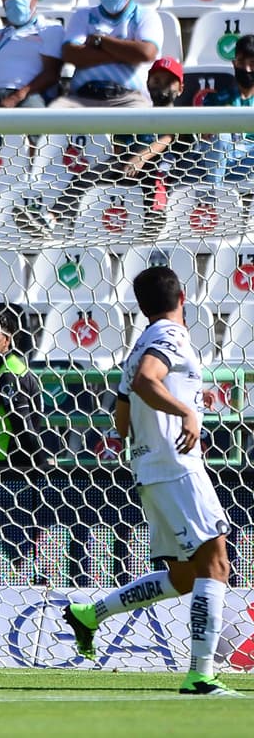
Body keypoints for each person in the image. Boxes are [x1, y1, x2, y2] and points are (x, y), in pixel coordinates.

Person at [63, 266, 239, 696]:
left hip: (150, 470)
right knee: (216, 565)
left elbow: (121, 418)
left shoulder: (137, 343)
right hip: (178, 467)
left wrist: (148, 437)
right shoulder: (171, 337)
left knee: (184, 577)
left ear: (140, 308)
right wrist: (186, 413)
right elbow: (147, 380)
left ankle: (90, 613)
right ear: (183, 298)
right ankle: (201, 676)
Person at [50, 57, 191, 235]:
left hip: (161, 169)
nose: (161, 86)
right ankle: (53, 217)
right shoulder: (139, 113)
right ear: (147, 82)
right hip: (127, 165)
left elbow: (168, 138)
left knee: (154, 170)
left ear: (180, 88)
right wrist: (126, 159)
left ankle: (155, 214)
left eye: (168, 82)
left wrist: (140, 158)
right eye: (157, 80)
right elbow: (120, 143)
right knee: (87, 177)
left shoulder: (184, 116)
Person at [49, 0, 162, 109]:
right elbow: (70, 54)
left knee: (141, 122)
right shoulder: (83, 15)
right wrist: (126, 54)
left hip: (128, 98)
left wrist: (100, 41)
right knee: (53, 115)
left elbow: (146, 53)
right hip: (82, 97)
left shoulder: (145, 15)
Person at [0, 308, 53, 469]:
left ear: (7, 339)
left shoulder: (8, 375)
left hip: (8, 469)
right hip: (1, 466)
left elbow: (24, 428)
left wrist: (42, 467)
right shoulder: (1, 371)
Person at [201, 34, 254, 187]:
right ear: (233, 63)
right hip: (222, 156)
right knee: (221, 135)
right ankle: (215, 196)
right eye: (241, 62)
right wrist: (222, 119)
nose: (247, 69)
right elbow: (205, 136)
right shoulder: (216, 99)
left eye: (252, 63)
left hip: (249, 160)